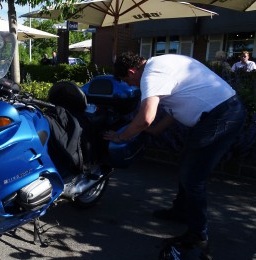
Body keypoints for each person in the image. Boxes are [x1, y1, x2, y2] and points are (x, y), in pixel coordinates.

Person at [104, 52, 246, 249]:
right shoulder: (161, 63)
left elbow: (145, 117)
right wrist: (155, 131)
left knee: (193, 176)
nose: (131, 85)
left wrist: (121, 136)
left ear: (132, 71)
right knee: (186, 163)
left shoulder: (151, 74)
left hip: (221, 116)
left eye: (128, 81)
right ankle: (181, 211)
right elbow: (175, 107)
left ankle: (198, 235)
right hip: (220, 113)